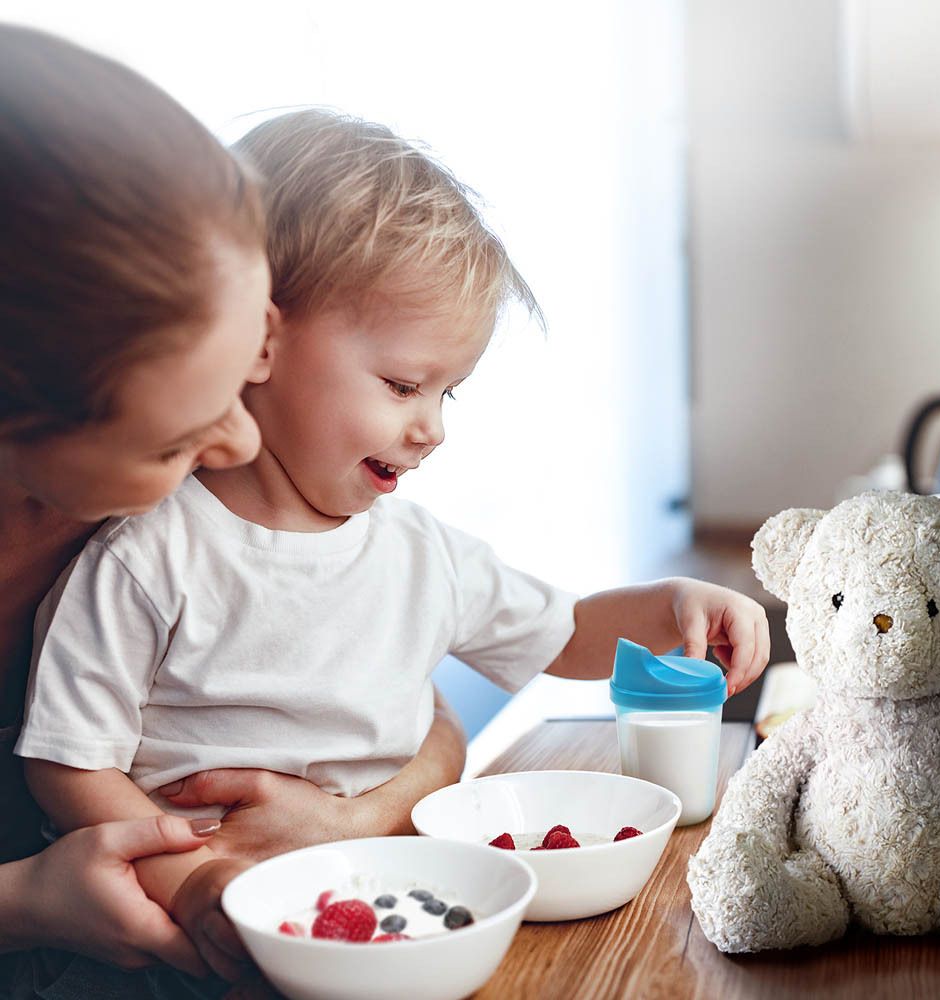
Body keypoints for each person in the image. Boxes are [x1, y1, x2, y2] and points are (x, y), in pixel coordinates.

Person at [15, 110, 770, 991]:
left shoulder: (420, 552)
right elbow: (66, 762)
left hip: (390, 904)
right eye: (405, 385)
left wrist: (671, 604)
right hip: (179, 943)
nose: (433, 428)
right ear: (260, 340)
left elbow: (564, 633)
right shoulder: (149, 554)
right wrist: (188, 878)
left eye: (452, 394)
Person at [0, 29, 465, 994]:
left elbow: (412, 701)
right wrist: (27, 904)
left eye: (247, 367)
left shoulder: (176, 511)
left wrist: (350, 819)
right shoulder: (137, 545)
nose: (242, 447)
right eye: (177, 436)